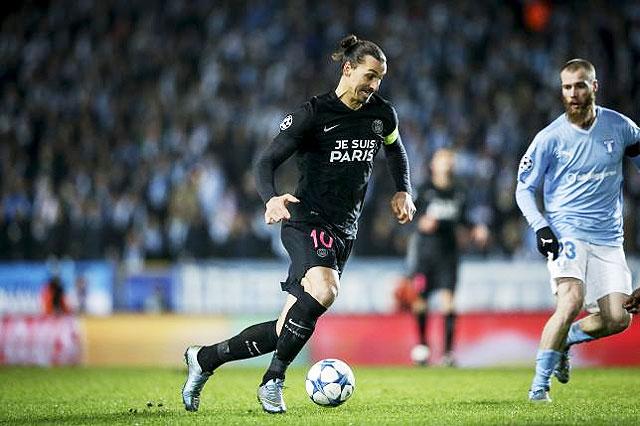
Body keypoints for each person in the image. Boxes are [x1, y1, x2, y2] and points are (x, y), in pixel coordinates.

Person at [181, 34, 416, 414]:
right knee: (325, 290)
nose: (374, 86)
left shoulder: (382, 114)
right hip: (306, 220)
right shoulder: (313, 114)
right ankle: (273, 381)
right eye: (370, 75)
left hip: (345, 231)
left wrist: (404, 190)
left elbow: (396, 150)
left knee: (285, 328)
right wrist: (270, 197)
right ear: (348, 68)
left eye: (380, 79)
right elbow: (264, 162)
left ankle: (204, 358)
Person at [515, 58, 640, 403]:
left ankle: (567, 339)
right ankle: (539, 388)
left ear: (594, 87)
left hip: (609, 238)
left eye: (580, 85)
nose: (573, 93)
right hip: (566, 232)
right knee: (569, 300)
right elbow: (523, 188)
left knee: (619, 318)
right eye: (567, 87)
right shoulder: (550, 138)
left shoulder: (621, 128)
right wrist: (540, 226)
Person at [405, 148, 489, 367]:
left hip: (448, 254)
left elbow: (465, 218)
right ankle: (423, 346)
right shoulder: (424, 189)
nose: (447, 164)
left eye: (450, 160)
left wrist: (476, 228)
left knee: (449, 302)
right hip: (425, 253)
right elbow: (410, 216)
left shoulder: (460, 190)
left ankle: (448, 353)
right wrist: (420, 222)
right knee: (421, 300)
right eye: (443, 160)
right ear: (434, 165)